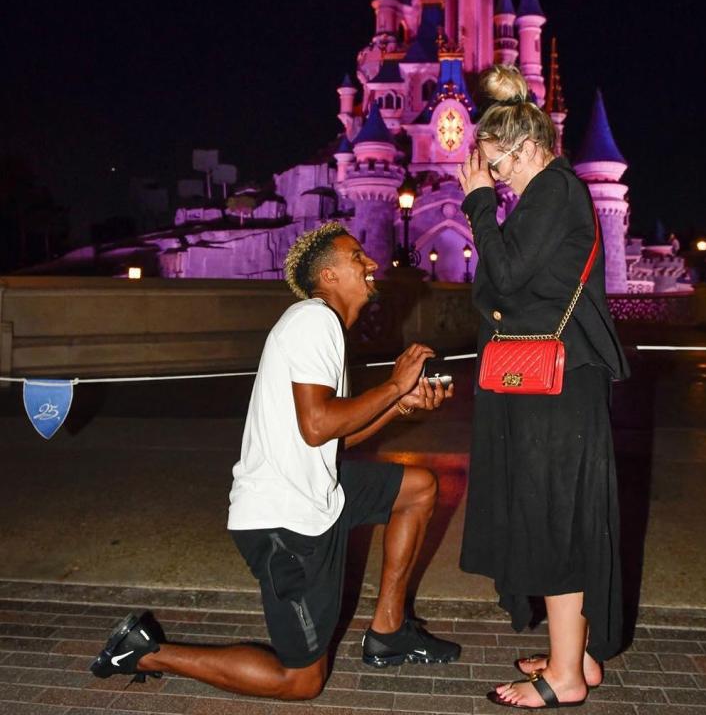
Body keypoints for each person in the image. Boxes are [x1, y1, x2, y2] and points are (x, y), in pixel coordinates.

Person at [89, 222, 459, 700]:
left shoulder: (322, 328)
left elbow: (330, 438)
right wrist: (392, 385)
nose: (371, 265)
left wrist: (399, 406)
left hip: (316, 493)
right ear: (328, 276)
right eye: (357, 258)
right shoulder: (313, 320)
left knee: (418, 488)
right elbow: (319, 424)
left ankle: (388, 632)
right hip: (285, 522)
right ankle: (141, 651)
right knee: (301, 681)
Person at [457, 65, 629, 709]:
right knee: (563, 514)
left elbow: (501, 280)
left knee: (557, 519)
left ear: (526, 148)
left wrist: (477, 204)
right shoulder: (549, 194)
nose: (492, 177)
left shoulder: (554, 190)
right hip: (557, 384)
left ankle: (562, 679)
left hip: (556, 389)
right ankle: (574, 656)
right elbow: (516, 282)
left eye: (496, 165)